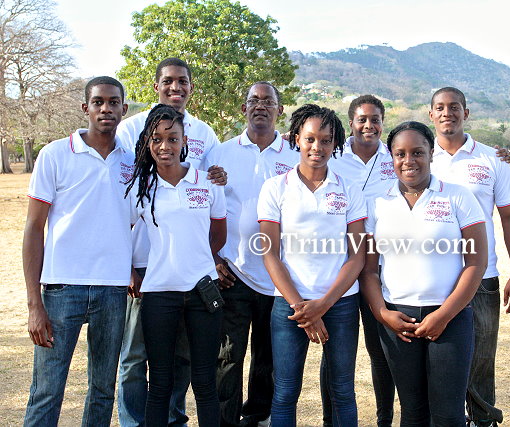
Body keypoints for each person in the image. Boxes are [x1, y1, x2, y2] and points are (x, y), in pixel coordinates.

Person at [116, 57, 223, 427]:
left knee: (197, 373)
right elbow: (121, 227)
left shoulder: (205, 148)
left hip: (198, 283)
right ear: (156, 85)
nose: (165, 145)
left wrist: (199, 257)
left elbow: (217, 229)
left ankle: (177, 420)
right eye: (168, 81)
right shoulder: (134, 151)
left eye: (183, 81)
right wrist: (129, 270)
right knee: (140, 363)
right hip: (152, 280)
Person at [360, 121, 488, 426]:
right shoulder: (378, 204)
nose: (409, 161)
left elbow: (476, 262)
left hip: (450, 318)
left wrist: (443, 315)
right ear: (391, 157)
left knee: (448, 415)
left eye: (417, 152)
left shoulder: (458, 197)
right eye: (400, 154)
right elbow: (369, 271)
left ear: (431, 153)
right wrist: (382, 314)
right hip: (397, 321)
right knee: (413, 412)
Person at [23, 76, 133, 426]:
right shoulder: (55, 154)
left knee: (102, 390)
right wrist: (34, 304)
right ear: (86, 107)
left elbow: (137, 221)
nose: (106, 108)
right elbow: (33, 228)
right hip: (62, 288)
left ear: (123, 109)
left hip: (113, 289)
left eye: (113, 102)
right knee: (47, 390)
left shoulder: (133, 161)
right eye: (98, 102)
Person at [258, 104, 367, 426]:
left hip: (340, 303)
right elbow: (269, 253)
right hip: (290, 304)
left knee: (342, 391)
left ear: (335, 144)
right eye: (309, 139)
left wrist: (324, 304)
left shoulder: (349, 189)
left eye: (326, 140)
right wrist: (302, 308)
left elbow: (357, 255)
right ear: (296, 139)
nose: (317, 147)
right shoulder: (275, 187)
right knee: (285, 392)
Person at [428, 87, 510, 427]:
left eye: (454, 107)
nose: (447, 113)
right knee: (438, 362)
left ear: (466, 113)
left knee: (481, 361)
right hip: (433, 280)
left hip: (482, 278)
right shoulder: (419, 156)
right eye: (440, 107)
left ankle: (483, 421)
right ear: (431, 114)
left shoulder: (491, 159)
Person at [207, 81, 299, 427]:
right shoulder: (220, 153)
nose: (260, 106)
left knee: (269, 357)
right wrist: (214, 260)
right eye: (253, 100)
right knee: (227, 357)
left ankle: (258, 418)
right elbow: (201, 209)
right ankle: (225, 421)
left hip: (279, 277)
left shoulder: (295, 156)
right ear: (244, 108)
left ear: (280, 110)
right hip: (233, 272)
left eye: (268, 101)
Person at [328, 94, 396, 427]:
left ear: (383, 123)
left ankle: (385, 418)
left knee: (380, 348)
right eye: (362, 119)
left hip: (380, 266)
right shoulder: (333, 156)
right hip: (340, 263)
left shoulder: (394, 156)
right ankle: (331, 420)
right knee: (335, 353)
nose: (369, 125)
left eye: (375, 119)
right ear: (350, 123)